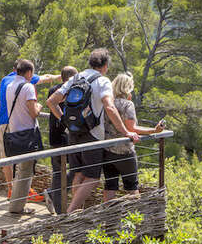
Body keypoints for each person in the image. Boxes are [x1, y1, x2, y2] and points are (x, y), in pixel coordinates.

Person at [46, 48, 139, 212]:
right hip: (93, 134)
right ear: (105, 66)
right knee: (93, 178)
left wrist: (64, 121)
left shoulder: (76, 77)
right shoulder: (103, 81)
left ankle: (75, 212)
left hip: (73, 132)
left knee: (78, 174)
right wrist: (126, 132)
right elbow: (109, 107)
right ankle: (71, 212)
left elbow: (51, 101)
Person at [0, 59, 60, 200]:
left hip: (4, 123)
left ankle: (11, 190)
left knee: (6, 157)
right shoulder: (25, 83)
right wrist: (59, 78)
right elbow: (44, 79)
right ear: (27, 72)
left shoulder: (6, 81)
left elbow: (43, 78)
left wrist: (55, 77)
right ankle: (20, 193)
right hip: (17, 125)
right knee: (24, 160)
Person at [102, 73, 164, 202]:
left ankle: (108, 218)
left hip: (107, 150)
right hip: (124, 152)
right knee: (132, 186)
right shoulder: (127, 105)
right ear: (128, 87)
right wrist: (154, 130)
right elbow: (132, 128)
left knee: (110, 185)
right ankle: (134, 217)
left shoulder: (107, 103)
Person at [6, 59, 42, 214]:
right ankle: (17, 207)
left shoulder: (9, 86)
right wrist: (39, 106)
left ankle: (16, 204)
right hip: (28, 135)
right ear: (29, 72)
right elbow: (34, 112)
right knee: (25, 172)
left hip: (14, 132)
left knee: (21, 170)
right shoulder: (27, 87)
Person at [42, 66, 78, 215]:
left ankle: (55, 199)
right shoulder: (67, 92)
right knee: (75, 170)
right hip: (64, 136)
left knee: (59, 172)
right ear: (70, 79)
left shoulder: (54, 90)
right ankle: (59, 208)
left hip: (55, 136)